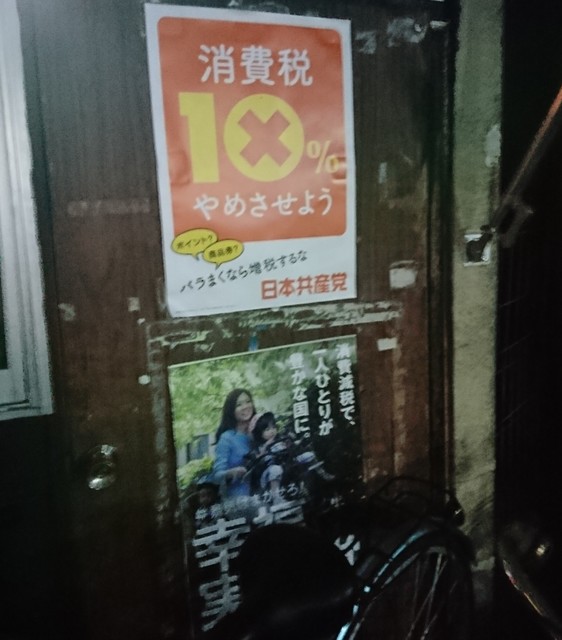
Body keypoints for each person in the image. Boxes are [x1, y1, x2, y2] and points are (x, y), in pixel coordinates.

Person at [212, 388, 256, 498]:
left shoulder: (260, 432)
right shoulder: (227, 438)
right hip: (239, 499)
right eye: (239, 405)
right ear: (231, 410)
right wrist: (232, 472)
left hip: (263, 495)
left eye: (248, 402)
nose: (245, 407)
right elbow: (216, 476)